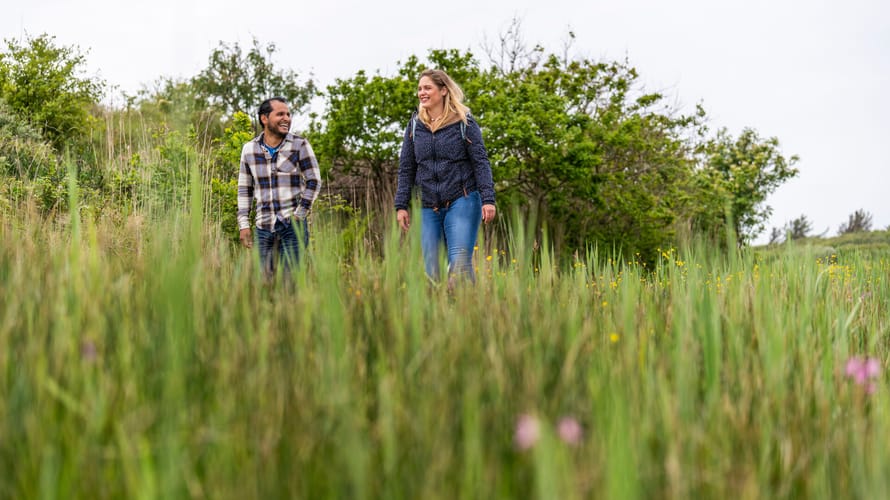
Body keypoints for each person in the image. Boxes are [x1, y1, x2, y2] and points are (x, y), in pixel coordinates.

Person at [395, 69, 496, 284]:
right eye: (420, 88)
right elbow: (407, 167)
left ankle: (467, 312)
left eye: (427, 88)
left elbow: (480, 162)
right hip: (428, 205)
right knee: (432, 273)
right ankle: (439, 315)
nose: (422, 92)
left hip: (462, 200)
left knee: (459, 265)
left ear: (443, 90)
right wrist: (401, 205)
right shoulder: (415, 125)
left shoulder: (463, 122)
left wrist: (488, 199)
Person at [237, 96, 322, 280]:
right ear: (264, 119)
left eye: (288, 114)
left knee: (289, 285)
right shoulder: (249, 149)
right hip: (263, 228)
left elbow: (314, 181)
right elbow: (245, 189)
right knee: (264, 286)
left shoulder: (300, 145)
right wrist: (243, 224)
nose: (287, 118)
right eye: (280, 114)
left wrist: (299, 215)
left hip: (293, 228)